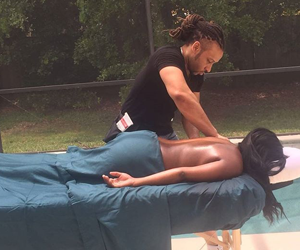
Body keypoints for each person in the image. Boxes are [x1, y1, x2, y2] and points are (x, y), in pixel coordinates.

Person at [103, 128, 287, 250]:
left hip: (144, 140)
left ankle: (212, 245)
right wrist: (135, 182)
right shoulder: (234, 164)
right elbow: (182, 173)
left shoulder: (226, 143)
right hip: (145, 157)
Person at [104, 14, 226, 142]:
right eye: (209, 60)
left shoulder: (197, 73)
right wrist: (214, 135)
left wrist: (196, 142)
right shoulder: (167, 56)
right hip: (132, 132)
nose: (209, 68)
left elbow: (191, 112)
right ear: (196, 47)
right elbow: (180, 95)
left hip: (163, 133)